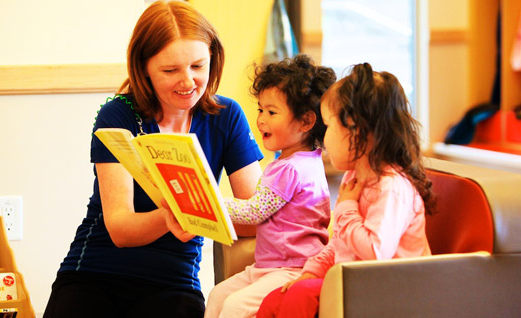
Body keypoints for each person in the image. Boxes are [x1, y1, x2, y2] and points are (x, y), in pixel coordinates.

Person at [43, 1, 263, 318]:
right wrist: (170, 217)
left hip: (173, 282)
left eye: (198, 66)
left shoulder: (226, 117)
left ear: (213, 59)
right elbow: (119, 229)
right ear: (144, 67)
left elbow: (257, 218)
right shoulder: (118, 114)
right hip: (94, 272)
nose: (188, 82)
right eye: (170, 70)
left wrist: (209, 213)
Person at [256, 63, 436, 318]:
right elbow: (341, 243)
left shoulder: (392, 188)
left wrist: (347, 208)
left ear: (356, 131)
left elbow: (375, 252)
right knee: (276, 299)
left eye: (329, 127)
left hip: (390, 288)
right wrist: (312, 270)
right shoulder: (354, 178)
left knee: (300, 296)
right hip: (355, 281)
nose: (324, 138)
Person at [204, 54, 336, 318]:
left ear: (306, 122)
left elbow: (255, 211)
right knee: (218, 294)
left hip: (292, 268)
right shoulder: (301, 161)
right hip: (268, 266)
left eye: (272, 112)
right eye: (260, 110)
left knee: (235, 306)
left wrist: (209, 201)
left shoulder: (291, 168)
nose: (261, 119)